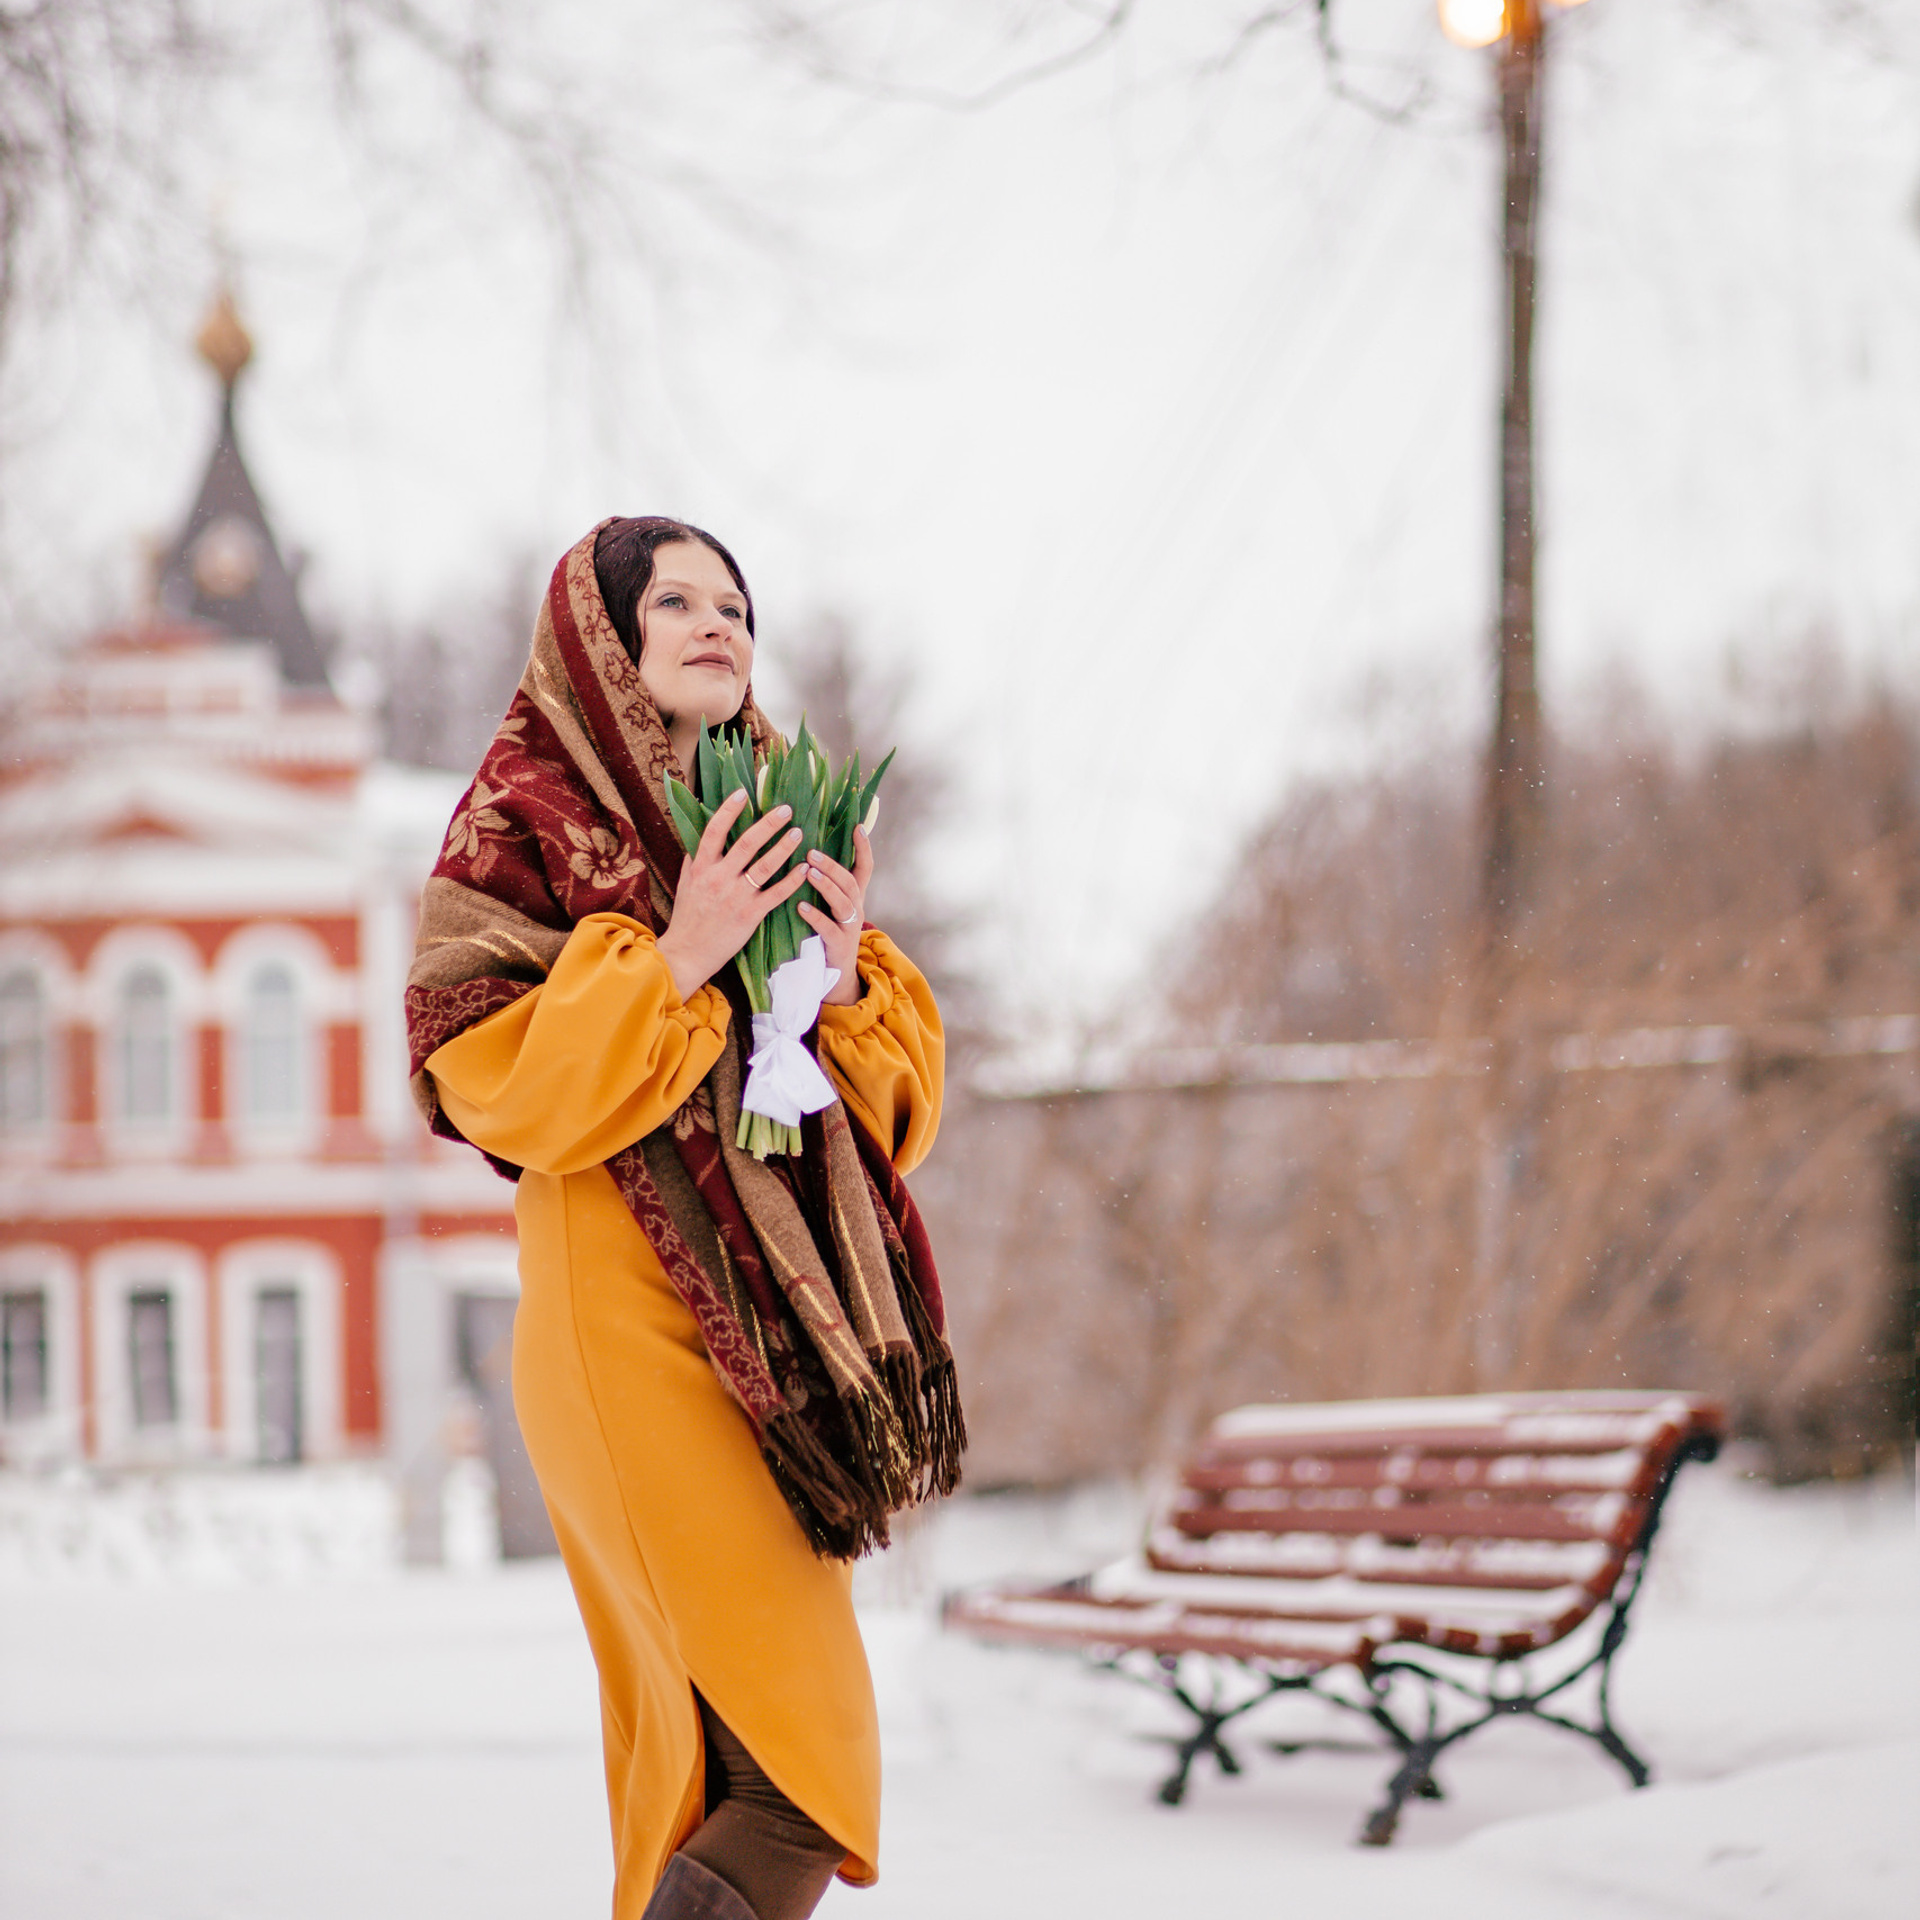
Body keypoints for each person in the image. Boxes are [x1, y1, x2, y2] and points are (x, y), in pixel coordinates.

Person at [403, 517, 964, 1920]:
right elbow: (497, 1088)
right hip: (627, 1330)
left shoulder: (783, 817)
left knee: (718, 1772)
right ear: (601, 637)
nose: (719, 622)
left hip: (769, 1343)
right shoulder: (529, 810)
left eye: (736, 603)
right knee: (796, 1760)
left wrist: (833, 986)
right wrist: (686, 954)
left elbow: (889, 1116)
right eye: (674, 602)